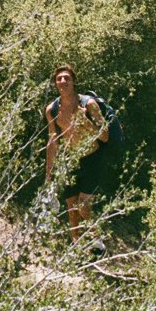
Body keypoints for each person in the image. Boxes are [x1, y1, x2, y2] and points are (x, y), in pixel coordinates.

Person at [44, 64, 109, 246]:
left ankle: (98, 242)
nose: (63, 81)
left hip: (92, 158)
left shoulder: (88, 104)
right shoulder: (52, 109)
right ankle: (76, 247)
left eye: (67, 78)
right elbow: (52, 142)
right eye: (59, 79)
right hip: (71, 159)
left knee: (84, 207)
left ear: (73, 82)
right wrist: (48, 176)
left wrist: (86, 122)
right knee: (71, 207)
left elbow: (104, 136)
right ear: (55, 83)